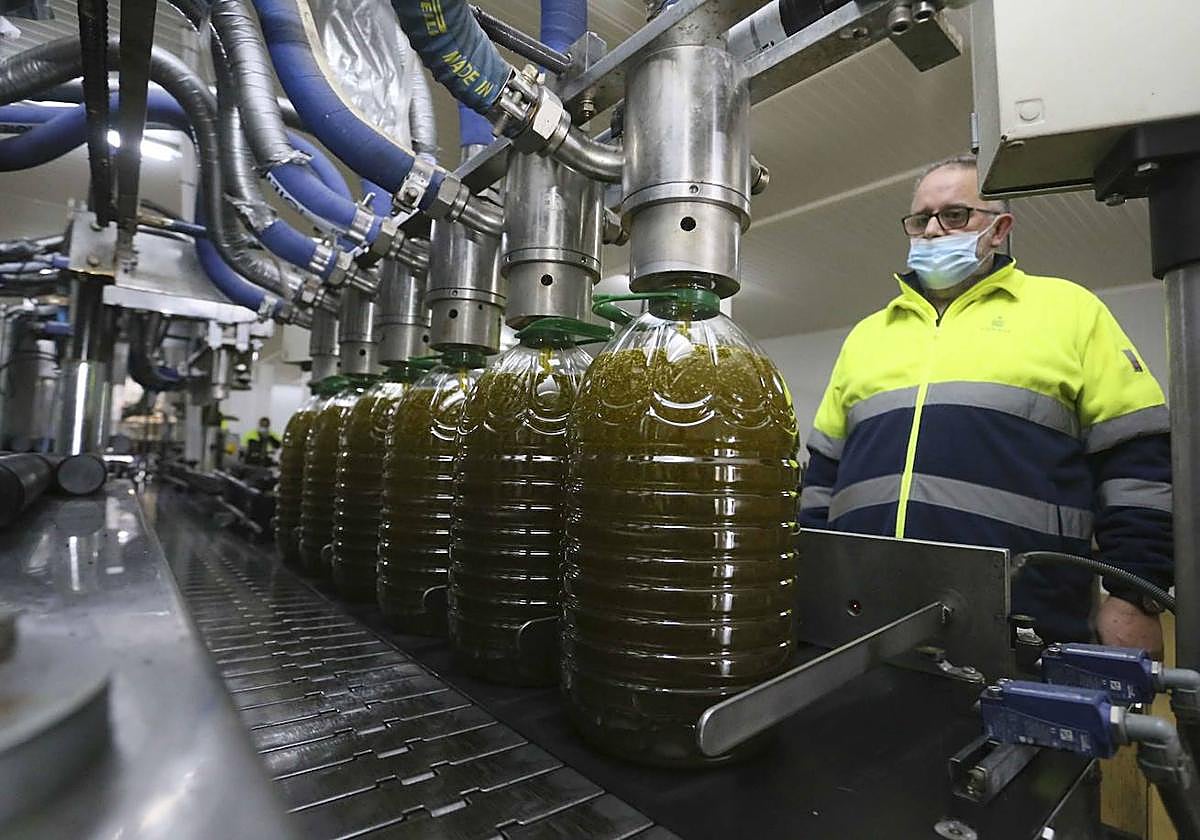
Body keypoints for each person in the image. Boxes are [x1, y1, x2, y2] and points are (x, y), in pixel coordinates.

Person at [798, 154, 1172, 654]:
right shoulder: (868, 336)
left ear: (1000, 230)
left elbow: (1138, 462)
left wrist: (1135, 594)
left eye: (955, 215)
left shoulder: (1069, 312)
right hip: (863, 624)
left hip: (1025, 620)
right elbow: (822, 479)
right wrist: (815, 581)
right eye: (920, 219)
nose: (933, 230)